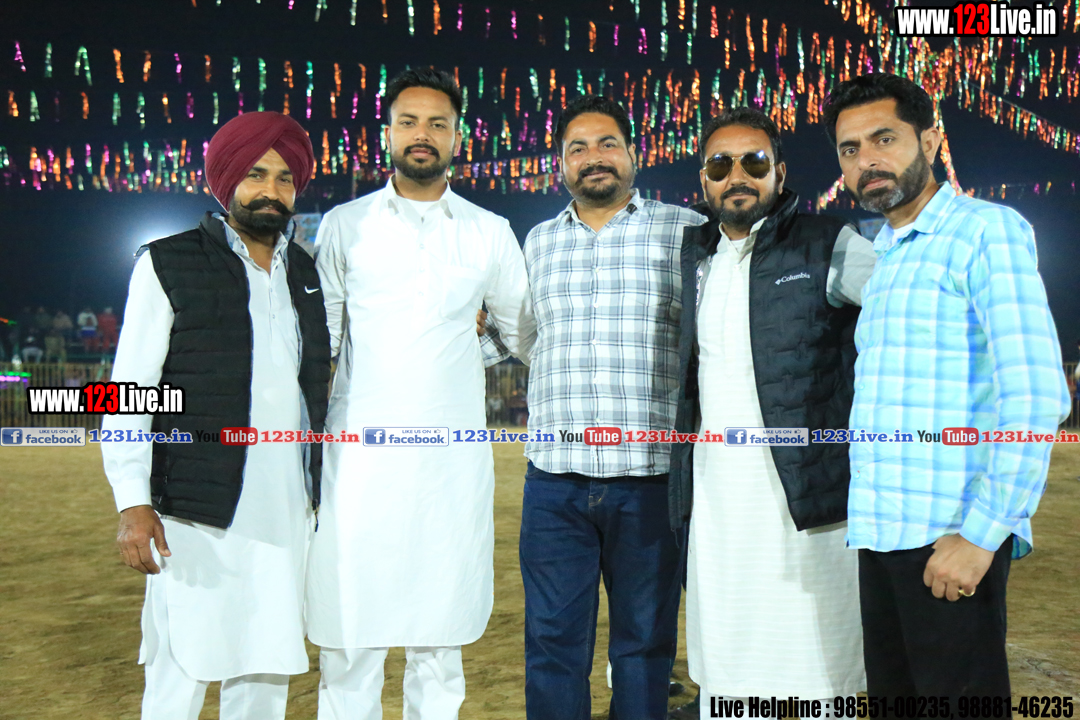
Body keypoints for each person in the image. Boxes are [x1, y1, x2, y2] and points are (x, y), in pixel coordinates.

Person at [822, 73, 1071, 699]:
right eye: (850, 149)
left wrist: (983, 533)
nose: (866, 160)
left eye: (884, 138)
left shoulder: (984, 231)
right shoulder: (886, 255)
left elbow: (1036, 392)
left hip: (948, 536)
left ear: (930, 142)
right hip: (881, 533)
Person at [307, 67, 534, 719]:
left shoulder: (488, 230)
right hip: (359, 460)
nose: (422, 134)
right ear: (387, 133)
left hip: (448, 462)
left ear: (459, 137)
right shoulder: (344, 226)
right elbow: (321, 339)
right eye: (408, 121)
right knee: (352, 628)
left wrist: (471, 348)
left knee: (439, 630)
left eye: (438, 123)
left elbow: (524, 333)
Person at [100, 111, 330, 720]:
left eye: (285, 178)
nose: (271, 190)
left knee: (266, 663)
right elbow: (128, 391)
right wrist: (132, 502)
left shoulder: (305, 273)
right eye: (256, 174)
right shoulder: (168, 262)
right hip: (196, 511)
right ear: (225, 180)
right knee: (182, 664)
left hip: (287, 509)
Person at [499, 94, 704, 720]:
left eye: (607, 143)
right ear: (561, 164)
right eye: (578, 148)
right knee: (552, 645)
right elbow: (526, 338)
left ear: (633, 153)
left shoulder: (685, 230)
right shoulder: (538, 242)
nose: (594, 157)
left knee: (644, 645)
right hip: (554, 483)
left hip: (649, 479)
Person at [668, 107, 872, 710]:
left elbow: (909, 311)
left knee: (819, 668)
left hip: (809, 500)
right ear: (703, 180)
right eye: (720, 165)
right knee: (729, 660)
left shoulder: (828, 243)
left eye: (753, 162)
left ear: (779, 173)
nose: (737, 176)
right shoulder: (692, 255)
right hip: (718, 501)